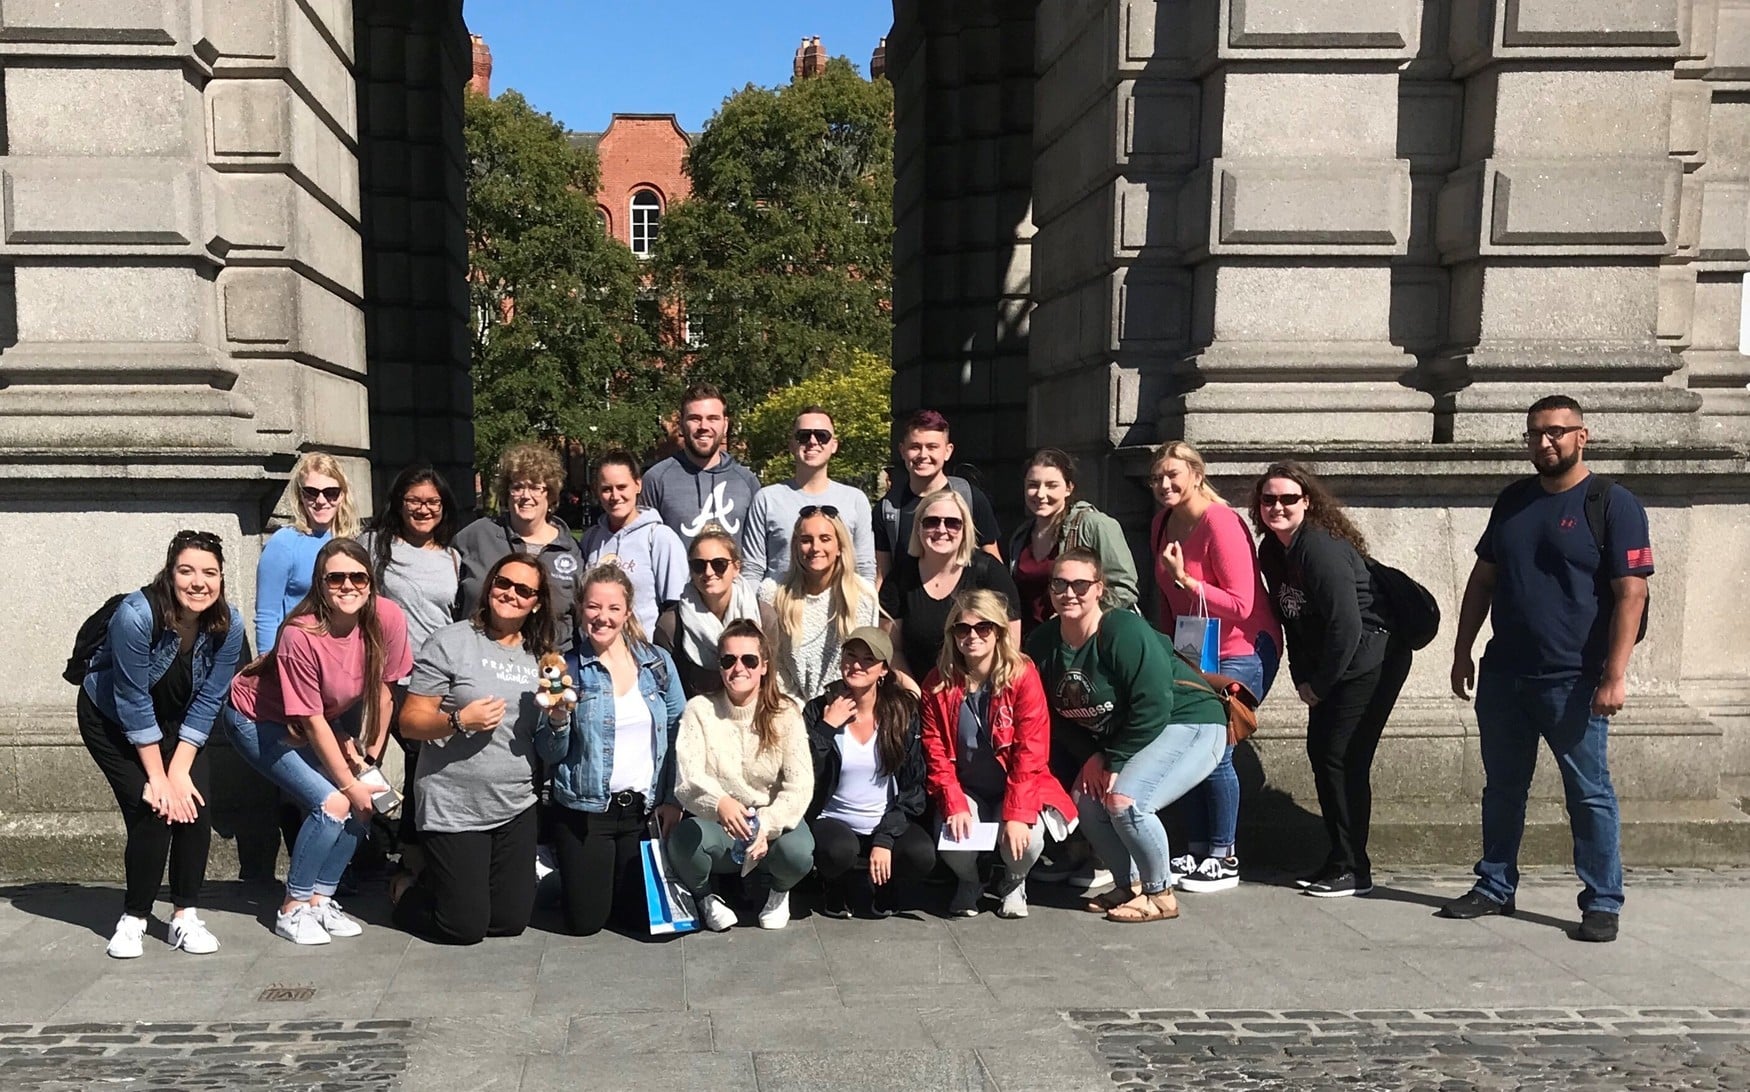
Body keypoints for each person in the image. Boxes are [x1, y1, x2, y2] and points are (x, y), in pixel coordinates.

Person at [1440, 395, 1652, 944]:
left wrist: (1615, 674)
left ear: (1583, 436)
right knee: (1502, 788)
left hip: (1575, 679)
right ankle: (1494, 885)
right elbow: (1482, 580)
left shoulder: (1612, 502)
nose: (1544, 443)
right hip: (1505, 674)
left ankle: (1602, 901)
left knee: (1588, 793)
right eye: (1534, 434)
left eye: (1557, 432)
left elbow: (1631, 593)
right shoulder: (1513, 501)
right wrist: (1463, 650)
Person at [225, 539, 412, 945]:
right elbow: (309, 719)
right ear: (320, 584)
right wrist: (348, 782)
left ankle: (320, 899)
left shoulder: (387, 618)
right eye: (336, 578)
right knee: (334, 803)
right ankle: (292, 907)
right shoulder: (300, 634)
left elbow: (385, 689)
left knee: (367, 797)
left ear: (370, 582)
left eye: (357, 576)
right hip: (259, 718)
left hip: (320, 719)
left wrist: (369, 759)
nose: (348, 586)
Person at [1026, 550, 1228, 924]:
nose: (1069, 593)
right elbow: (1052, 716)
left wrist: (1112, 758)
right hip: (1132, 737)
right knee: (1085, 802)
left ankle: (1160, 894)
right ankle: (1129, 884)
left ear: (1098, 589)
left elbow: (1154, 704)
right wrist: (1090, 755)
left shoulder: (1122, 630)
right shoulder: (1043, 645)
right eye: (1059, 584)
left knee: (1126, 802)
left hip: (1190, 721)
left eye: (1080, 584)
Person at [79, 530, 246, 958]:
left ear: (222, 579)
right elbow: (132, 701)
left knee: (193, 806)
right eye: (186, 571)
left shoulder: (229, 623)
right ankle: (133, 918)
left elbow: (211, 698)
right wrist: (158, 777)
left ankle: (184, 917)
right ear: (169, 575)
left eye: (209, 573)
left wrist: (178, 772)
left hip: (178, 722)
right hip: (111, 719)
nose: (198, 582)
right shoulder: (136, 616)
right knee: (153, 809)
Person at [1252, 461, 1412, 899]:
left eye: (1288, 499)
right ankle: (1341, 857)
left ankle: (1353, 867)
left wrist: (1319, 685)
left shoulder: (1319, 549)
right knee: (1324, 754)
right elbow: (1292, 621)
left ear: (1307, 501)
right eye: (1269, 500)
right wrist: (1303, 677)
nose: (1278, 507)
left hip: (1371, 657)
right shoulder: (1273, 551)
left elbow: (1347, 626)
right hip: (1332, 663)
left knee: (1342, 757)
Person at [389, 555, 554, 944]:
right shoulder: (451, 641)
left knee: (509, 922)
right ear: (489, 585)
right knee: (463, 927)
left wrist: (560, 715)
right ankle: (403, 889)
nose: (510, 594)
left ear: (537, 602)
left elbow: (543, 738)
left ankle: (447, 882)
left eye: (523, 590)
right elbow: (410, 721)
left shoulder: (542, 657)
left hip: (515, 803)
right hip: (454, 804)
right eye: (503, 583)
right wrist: (460, 721)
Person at [1149, 441, 1281, 894]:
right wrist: (1166, 653)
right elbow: (1167, 600)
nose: (1164, 484)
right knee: (1186, 745)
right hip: (1192, 651)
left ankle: (1224, 855)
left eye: (1173, 475)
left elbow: (1242, 605)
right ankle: (1198, 846)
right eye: (1157, 477)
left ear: (1197, 475)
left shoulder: (1221, 523)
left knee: (1217, 747)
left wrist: (1189, 579)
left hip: (1241, 650)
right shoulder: (1162, 524)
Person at [537, 564, 688, 937]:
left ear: (627, 612)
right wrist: (557, 720)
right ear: (580, 608)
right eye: (593, 607)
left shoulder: (657, 664)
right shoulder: (565, 668)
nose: (602, 617)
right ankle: (555, 874)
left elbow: (679, 732)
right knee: (586, 923)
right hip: (585, 812)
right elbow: (550, 753)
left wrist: (673, 799)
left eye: (612, 608)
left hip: (641, 811)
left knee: (648, 921)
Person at [921, 589, 1076, 920]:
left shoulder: (1022, 675)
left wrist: (1017, 812)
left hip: (1016, 784)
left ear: (999, 632)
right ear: (952, 634)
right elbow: (934, 751)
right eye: (962, 629)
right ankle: (971, 880)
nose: (972, 636)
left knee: (1028, 839)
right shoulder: (938, 682)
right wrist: (953, 803)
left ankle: (1014, 881)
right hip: (967, 788)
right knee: (955, 839)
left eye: (983, 628)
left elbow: (1031, 751)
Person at [670, 620, 815, 931]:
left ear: (763, 666)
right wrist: (720, 803)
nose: (738, 668)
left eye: (749, 660)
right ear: (720, 666)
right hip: (719, 823)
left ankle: (778, 892)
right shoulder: (699, 710)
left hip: (768, 822)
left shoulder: (786, 712)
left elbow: (800, 785)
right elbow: (687, 777)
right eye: (728, 660)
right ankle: (705, 897)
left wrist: (767, 822)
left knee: (799, 852)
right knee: (685, 842)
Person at [803, 627, 934, 919]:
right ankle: (835, 884)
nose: (857, 665)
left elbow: (914, 785)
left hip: (882, 818)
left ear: (884, 669)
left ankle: (886, 886)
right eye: (851, 655)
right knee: (839, 851)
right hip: (832, 820)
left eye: (868, 659)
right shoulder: (818, 709)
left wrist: (885, 838)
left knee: (921, 854)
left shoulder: (901, 713)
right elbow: (802, 773)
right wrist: (825, 730)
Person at [453, 441, 585, 653]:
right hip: (480, 660)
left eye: (535, 487)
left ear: (550, 494)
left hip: (551, 668)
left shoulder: (572, 551)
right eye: (517, 487)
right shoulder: (476, 536)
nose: (526, 495)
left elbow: (582, 619)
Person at [880, 488, 1020, 683]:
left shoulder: (989, 572)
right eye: (931, 522)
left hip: (982, 695)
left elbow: (1010, 645)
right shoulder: (899, 579)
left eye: (953, 523)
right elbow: (892, 649)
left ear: (965, 529)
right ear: (918, 528)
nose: (942, 530)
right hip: (917, 696)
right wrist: (915, 695)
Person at [1005, 448, 1138, 634]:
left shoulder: (1095, 525)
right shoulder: (1020, 536)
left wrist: (1080, 614)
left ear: (1069, 488)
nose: (1040, 494)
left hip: (1085, 640)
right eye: (1033, 485)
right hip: (1033, 646)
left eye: (1051, 485)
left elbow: (1124, 590)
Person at [740, 406, 877, 584]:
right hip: (778, 608)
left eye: (822, 436)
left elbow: (864, 568)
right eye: (803, 436)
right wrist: (757, 611)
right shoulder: (767, 499)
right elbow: (752, 568)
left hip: (839, 608)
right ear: (792, 445)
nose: (812, 442)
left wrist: (864, 608)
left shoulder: (855, 500)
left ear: (834, 445)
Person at [758, 509, 880, 700]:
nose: (815, 547)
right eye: (806, 540)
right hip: (786, 707)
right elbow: (773, 663)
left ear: (839, 546)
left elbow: (864, 665)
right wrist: (795, 709)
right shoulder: (773, 592)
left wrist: (828, 708)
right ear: (796, 546)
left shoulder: (863, 596)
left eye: (825, 539)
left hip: (844, 703)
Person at [874, 410, 1003, 583]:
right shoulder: (888, 509)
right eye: (915, 447)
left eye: (932, 447)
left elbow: (994, 564)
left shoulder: (970, 498)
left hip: (965, 607)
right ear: (902, 451)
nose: (923, 455)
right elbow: (882, 575)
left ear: (948, 451)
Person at [256, 452, 361, 654]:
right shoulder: (284, 542)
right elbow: (267, 615)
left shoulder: (353, 543)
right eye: (311, 492)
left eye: (331, 492)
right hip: (297, 653)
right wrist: (266, 665)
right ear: (300, 496)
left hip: (347, 654)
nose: (321, 501)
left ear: (342, 495)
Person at [578, 450, 688, 636]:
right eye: (606, 489)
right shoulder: (591, 539)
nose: (614, 496)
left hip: (643, 652)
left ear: (637, 485)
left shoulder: (659, 538)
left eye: (622, 487)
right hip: (596, 651)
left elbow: (675, 606)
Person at [640, 382, 763, 546]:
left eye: (713, 418)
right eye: (694, 419)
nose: (704, 426)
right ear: (681, 424)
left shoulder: (747, 481)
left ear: (725, 425)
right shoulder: (656, 480)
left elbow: (757, 551)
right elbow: (643, 544)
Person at [654, 527, 762, 697]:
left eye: (719, 564)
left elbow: (770, 680)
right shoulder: (671, 626)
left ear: (736, 567)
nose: (709, 572)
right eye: (699, 565)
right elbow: (668, 692)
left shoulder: (763, 616)